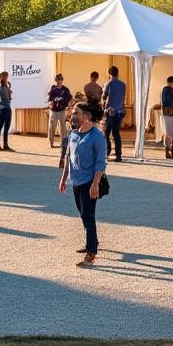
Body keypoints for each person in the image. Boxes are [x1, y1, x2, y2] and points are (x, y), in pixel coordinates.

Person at [58, 101, 106, 268]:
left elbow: (101, 163)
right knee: (83, 213)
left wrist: (95, 184)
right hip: (76, 182)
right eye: (73, 113)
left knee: (88, 215)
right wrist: (64, 178)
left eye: (76, 113)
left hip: (89, 182)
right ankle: (92, 241)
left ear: (87, 116)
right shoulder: (73, 134)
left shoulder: (97, 136)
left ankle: (91, 251)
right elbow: (67, 158)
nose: (73, 116)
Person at [103, 65, 127, 162]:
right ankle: (118, 154)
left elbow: (104, 97)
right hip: (120, 110)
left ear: (109, 73)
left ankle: (107, 152)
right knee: (116, 133)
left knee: (106, 133)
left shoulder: (108, 84)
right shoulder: (123, 84)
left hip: (111, 111)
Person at [46, 74, 72, 150]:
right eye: (57, 80)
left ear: (62, 80)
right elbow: (49, 99)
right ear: (55, 80)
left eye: (60, 80)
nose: (58, 81)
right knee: (52, 127)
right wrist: (50, 103)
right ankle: (51, 142)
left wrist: (69, 103)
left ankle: (63, 142)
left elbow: (70, 98)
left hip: (62, 110)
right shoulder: (53, 89)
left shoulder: (65, 89)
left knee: (63, 127)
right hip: (54, 111)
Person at [160, 76, 173, 159]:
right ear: (171, 82)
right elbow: (166, 101)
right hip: (167, 113)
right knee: (168, 133)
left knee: (171, 134)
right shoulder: (166, 89)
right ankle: (167, 152)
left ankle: (169, 151)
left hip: (172, 113)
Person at [0, 71, 14, 152]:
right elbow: (8, 97)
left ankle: (4, 145)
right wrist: (9, 90)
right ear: (2, 77)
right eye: (5, 77)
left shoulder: (3, 86)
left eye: (7, 77)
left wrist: (9, 88)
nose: (6, 78)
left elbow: (9, 97)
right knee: (1, 126)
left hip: (5, 107)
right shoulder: (1, 86)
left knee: (6, 126)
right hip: (4, 108)